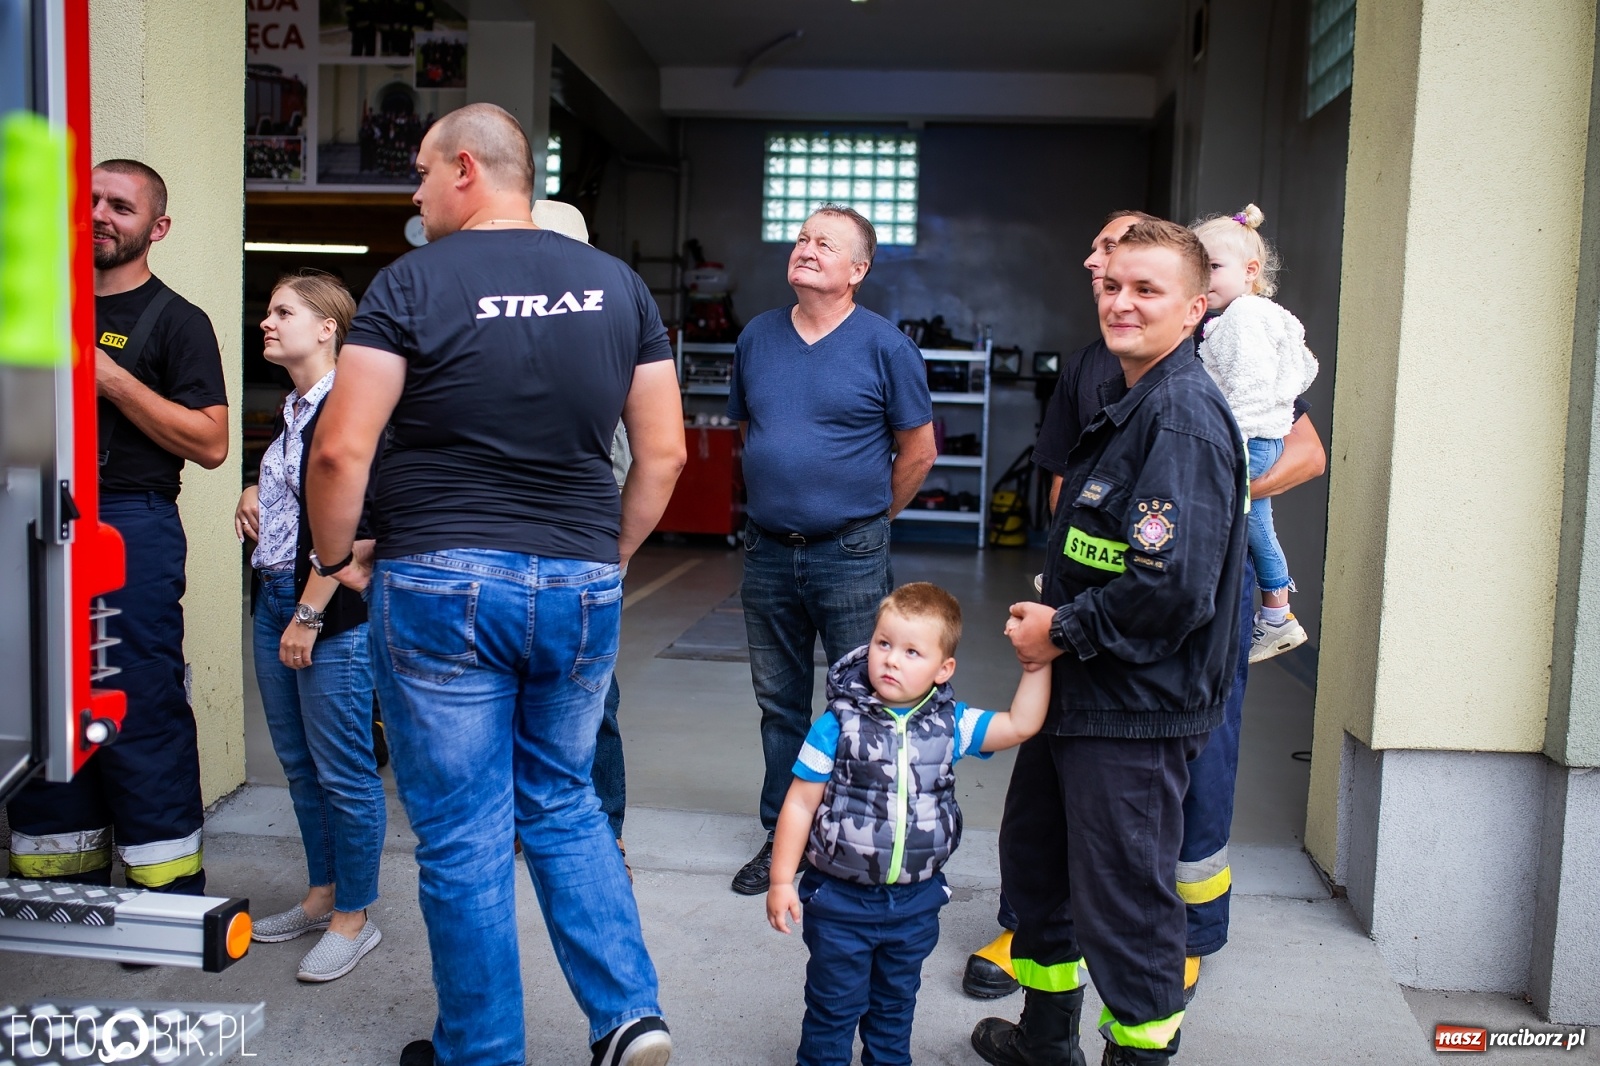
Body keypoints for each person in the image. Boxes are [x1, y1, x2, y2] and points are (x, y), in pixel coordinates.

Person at [304, 103, 685, 1066]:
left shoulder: (411, 283)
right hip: (580, 576)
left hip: (441, 577)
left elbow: (342, 449)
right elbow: (665, 453)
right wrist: (613, 553)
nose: (417, 198)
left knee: (465, 830)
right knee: (564, 801)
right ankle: (629, 1018)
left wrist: (332, 557)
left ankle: (483, 1051)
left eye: (422, 178)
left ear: (466, 168)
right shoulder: (619, 286)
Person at [963, 211, 1329, 1005]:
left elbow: (1172, 588)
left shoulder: (1183, 420)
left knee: (1126, 909)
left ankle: (1139, 1053)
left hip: (1133, 706)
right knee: (1042, 871)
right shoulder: (1128, 395)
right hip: (1081, 692)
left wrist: (1060, 629)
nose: (1121, 301)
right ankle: (1045, 1036)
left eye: (1148, 290)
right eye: (1115, 285)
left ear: (1196, 309)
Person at [7, 160, 227, 896]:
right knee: (40, 696)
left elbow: (210, 441)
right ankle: (55, 873)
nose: (100, 214)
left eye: (120, 206)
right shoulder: (31, 307)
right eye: (90, 200)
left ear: (155, 228)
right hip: (33, 519)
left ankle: (163, 880)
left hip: (130, 525)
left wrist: (110, 378)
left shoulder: (179, 322)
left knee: (132, 697)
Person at [726, 203, 938, 896]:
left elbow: (918, 450)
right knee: (779, 702)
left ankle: (861, 837)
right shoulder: (757, 337)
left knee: (865, 699)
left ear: (858, 270)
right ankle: (780, 835)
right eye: (801, 238)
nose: (807, 249)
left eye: (826, 243)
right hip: (765, 551)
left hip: (849, 552)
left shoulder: (886, 347)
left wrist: (869, 521)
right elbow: (748, 432)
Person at [765, 582, 1050, 1066]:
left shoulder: (951, 724)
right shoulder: (837, 723)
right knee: (833, 1008)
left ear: (943, 670)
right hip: (840, 900)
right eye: (883, 644)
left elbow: (1020, 725)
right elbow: (799, 804)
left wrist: (1038, 664)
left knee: (895, 1007)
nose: (891, 660)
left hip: (915, 903)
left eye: (911, 651)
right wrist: (780, 880)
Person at [234, 270, 387, 983]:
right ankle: (321, 894)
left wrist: (308, 613)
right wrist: (253, 487)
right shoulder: (297, 407)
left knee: (345, 772)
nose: (267, 322)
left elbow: (356, 525)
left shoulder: (350, 408)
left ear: (328, 327)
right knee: (300, 767)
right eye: (268, 312)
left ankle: (355, 917)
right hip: (274, 600)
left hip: (324, 612)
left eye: (283, 311)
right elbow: (303, 490)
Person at [1193, 204, 1319, 663]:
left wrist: (1236, 435)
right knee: (1257, 521)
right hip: (1263, 434)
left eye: (1214, 267)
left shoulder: (1244, 317)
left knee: (1248, 521)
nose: (1203, 277)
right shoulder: (1262, 314)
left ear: (1250, 271)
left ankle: (1277, 614)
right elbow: (1304, 367)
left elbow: (1245, 387)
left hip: (1246, 438)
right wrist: (1278, 404)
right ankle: (1276, 614)